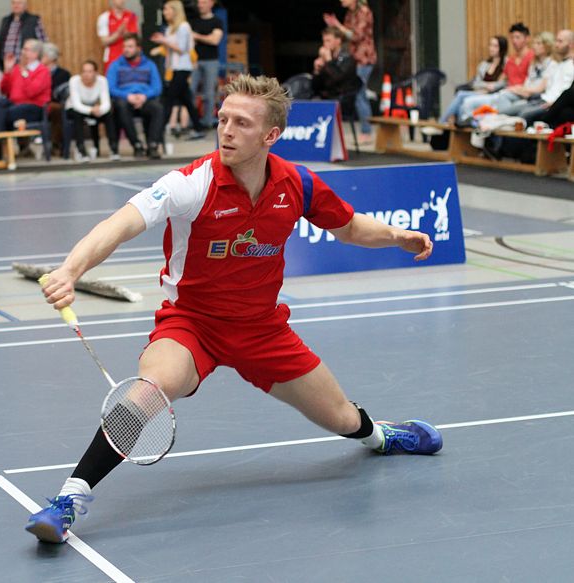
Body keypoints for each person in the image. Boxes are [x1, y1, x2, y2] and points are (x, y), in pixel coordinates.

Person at [25, 74, 442, 544]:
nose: (225, 130)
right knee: (148, 391)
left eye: (241, 123)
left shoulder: (296, 183)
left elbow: (347, 227)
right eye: (222, 119)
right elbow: (121, 223)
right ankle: (69, 499)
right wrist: (71, 270)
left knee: (342, 418)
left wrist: (396, 236)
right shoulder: (190, 184)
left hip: (263, 329)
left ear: (271, 136)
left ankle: (383, 438)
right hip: (192, 325)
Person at [151, 0, 206, 141]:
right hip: (174, 68)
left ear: (175, 11)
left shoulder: (183, 27)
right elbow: (170, 48)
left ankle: (157, 134)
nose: (165, 12)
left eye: (167, 10)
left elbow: (181, 49)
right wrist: (161, 45)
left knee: (168, 100)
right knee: (186, 100)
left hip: (183, 68)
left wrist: (164, 41)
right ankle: (199, 128)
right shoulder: (170, 28)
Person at [323, 0, 376, 143]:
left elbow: (356, 36)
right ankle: (365, 130)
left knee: (359, 94)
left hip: (364, 59)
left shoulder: (363, 11)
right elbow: (345, 36)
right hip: (353, 59)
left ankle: (367, 132)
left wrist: (338, 26)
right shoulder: (350, 13)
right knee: (357, 94)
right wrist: (334, 26)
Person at [107, 33, 164, 159]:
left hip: (145, 99)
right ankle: (136, 145)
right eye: (124, 47)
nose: (126, 50)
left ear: (139, 49)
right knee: (121, 106)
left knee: (158, 108)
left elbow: (157, 87)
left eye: (130, 46)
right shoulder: (115, 65)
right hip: (125, 99)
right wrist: (128, 96)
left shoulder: (150, 65)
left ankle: (153, 145)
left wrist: (144, 96)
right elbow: (111, 88)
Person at [0, 38, 50, 152]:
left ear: (35, 53)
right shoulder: (17, 68)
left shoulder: (42, 70)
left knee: (1, 115)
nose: (23, 52)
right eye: (23, 49)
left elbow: (31, 92)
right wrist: (7, 71)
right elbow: (4, 90)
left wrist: (24, 72)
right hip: (15, 104)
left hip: (35, 107)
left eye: (26, 49)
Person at [440, 35, 507, 123]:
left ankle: (442, 123)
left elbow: (503, 83)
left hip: (494, 95)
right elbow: (476, 83)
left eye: (495, 46)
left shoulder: (506, 64)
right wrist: (487, 86)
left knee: (461, 95)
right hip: (480, 93)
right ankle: (454, 128)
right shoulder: (484, 64)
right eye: (490, 45)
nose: (491, 48)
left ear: (502, 48)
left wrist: (490, 87)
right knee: (461, 104)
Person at [66, 59, 118, 161]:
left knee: (109, 114)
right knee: (77, 115)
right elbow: (76, 104)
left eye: (89, 71)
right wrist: (91, 110)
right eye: (84, 71)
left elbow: (106, 103)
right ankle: (81, 150)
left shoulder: (102, 81)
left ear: (96, 73)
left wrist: (99, 110)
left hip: (94, 109)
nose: (86, 74)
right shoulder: (74, 81)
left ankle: (114, 149)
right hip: (74, 109)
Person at [189, 0, 223, 129]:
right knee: (191, 92)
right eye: (199, 3)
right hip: (195, 61)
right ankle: (193, 122)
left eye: (203, 2)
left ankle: (208, 122)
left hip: (211, 61)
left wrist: (196, 36)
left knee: (209, 93)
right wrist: (206, 38)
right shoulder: (193, 21)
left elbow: (215, 40)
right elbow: (189, 40)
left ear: (211, 4)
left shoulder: (217, 21)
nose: (199, 5)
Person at [311, 27, 360, 101]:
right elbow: (315, 87)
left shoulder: (347, 58)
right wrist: (316, 71)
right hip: (328, 97)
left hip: (343, 98)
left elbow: (338, 79)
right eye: (324, 41)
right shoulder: (325, 58)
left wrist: (328, 60)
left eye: (328, 41)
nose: (325, 44)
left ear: (338, 41)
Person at [0, 0, 47, 68]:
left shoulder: (33, 20)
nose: (16, 5)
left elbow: (43, 42)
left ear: (25, 6)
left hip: (26, 63)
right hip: (7, 64)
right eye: (13, 3)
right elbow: (1, 42)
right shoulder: (5, 20)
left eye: (19, 3)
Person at [97, 0, 139, 74]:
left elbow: (134, 38)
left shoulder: (131, 15)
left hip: (129, 58)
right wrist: (118, 33)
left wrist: (125, 32)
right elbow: (104, 41)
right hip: (112, 58)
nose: (122, 1)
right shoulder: (104, 17)